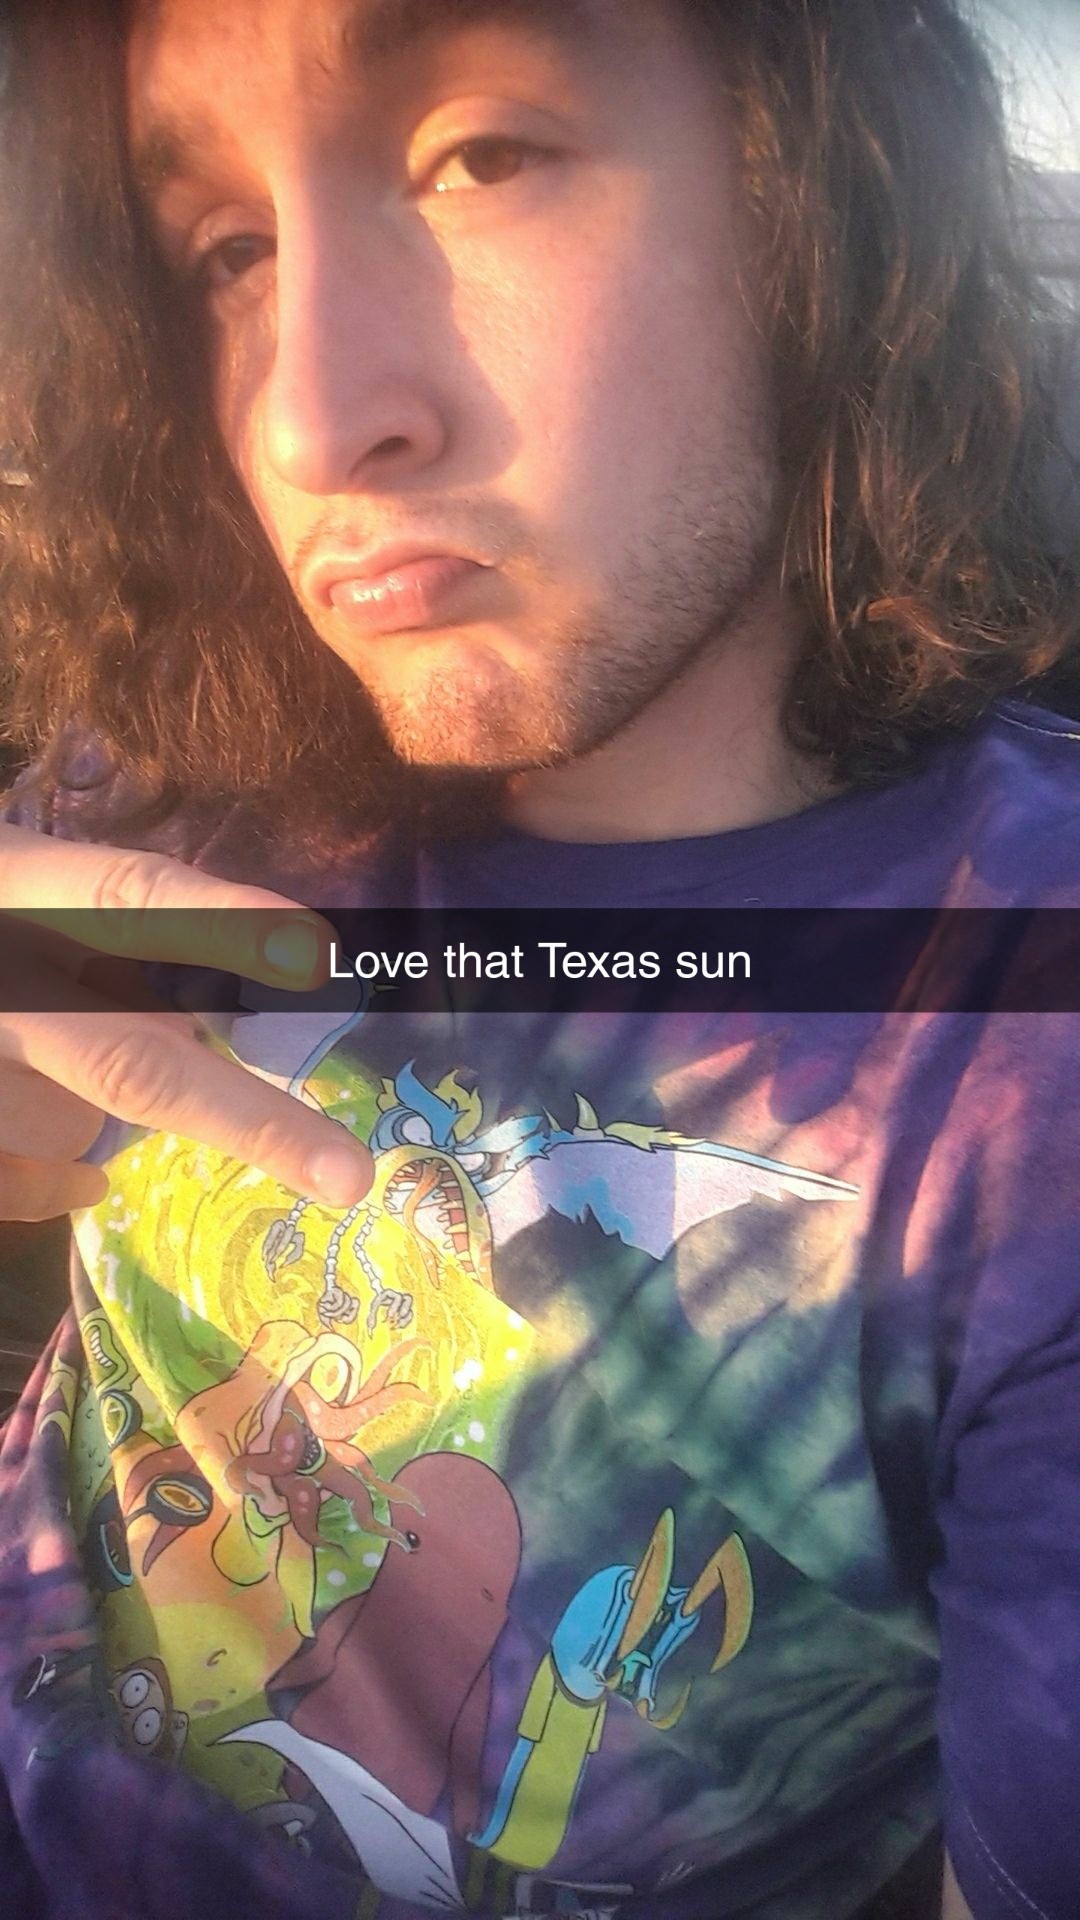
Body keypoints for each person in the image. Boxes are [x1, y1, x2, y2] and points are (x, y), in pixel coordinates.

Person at [0, 2, 1078, 1916]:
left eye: (480, 155)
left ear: (822, 199)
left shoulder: (1024, 1059)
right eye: (228, 251)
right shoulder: (174, 756)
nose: (312, 422)